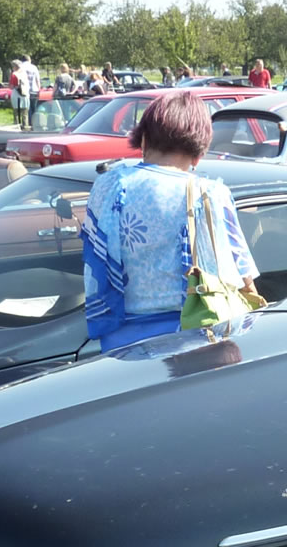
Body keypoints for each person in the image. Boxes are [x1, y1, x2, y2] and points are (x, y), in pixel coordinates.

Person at [81, 92, 259, 352]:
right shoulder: (209, 194)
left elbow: (95, 260)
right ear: (198, 153)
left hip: (120, 341)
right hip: (192, 340)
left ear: (143, 139)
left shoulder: (108, 186)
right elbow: (240, 275)